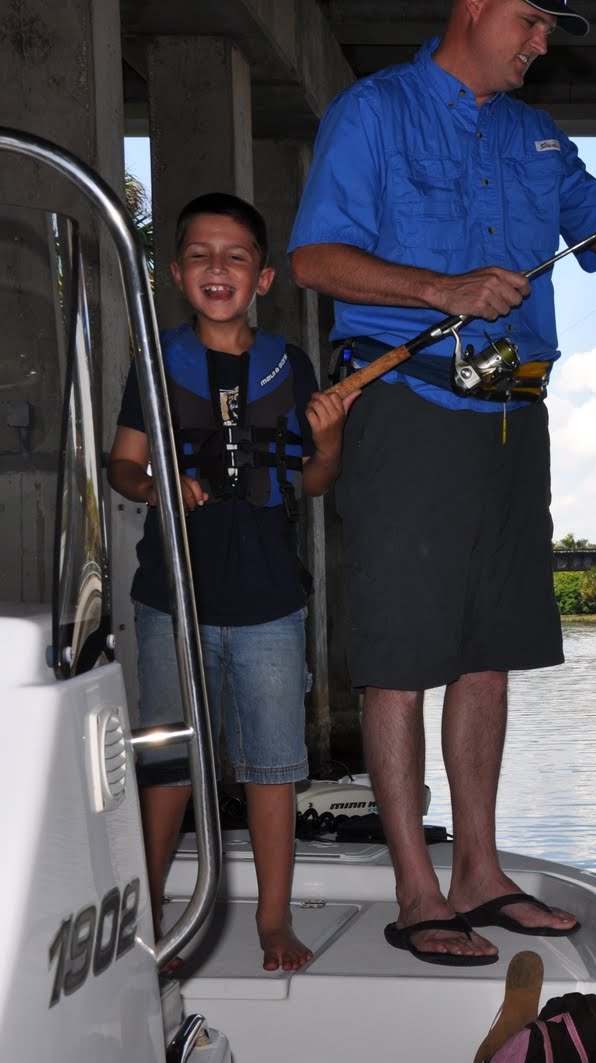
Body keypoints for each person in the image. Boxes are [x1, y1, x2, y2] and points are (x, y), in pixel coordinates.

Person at [287, 0, 596, 966]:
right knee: (399, 658)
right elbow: (313, 257)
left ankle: (479, 870)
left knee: (488, 652)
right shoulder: (374, 111)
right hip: (407, 406)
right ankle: (417, 891)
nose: (542, 42)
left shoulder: (538, 133)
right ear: (474, 7)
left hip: (515, 415)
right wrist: (443, 288)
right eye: (532, 21)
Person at [109, 192, 357, 972]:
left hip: (270, 605)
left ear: (264, 278)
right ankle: (147, 919)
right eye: (201, 255)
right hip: (171, 603)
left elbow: (314, 478)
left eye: (236, 256)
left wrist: (331, 438)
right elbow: (123, 462)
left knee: (273, 770)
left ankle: (273, 921)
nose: (218, 268)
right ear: (176, 273)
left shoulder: (292, 365)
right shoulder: (155, 361)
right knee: (167, 768)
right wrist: (156, 484)